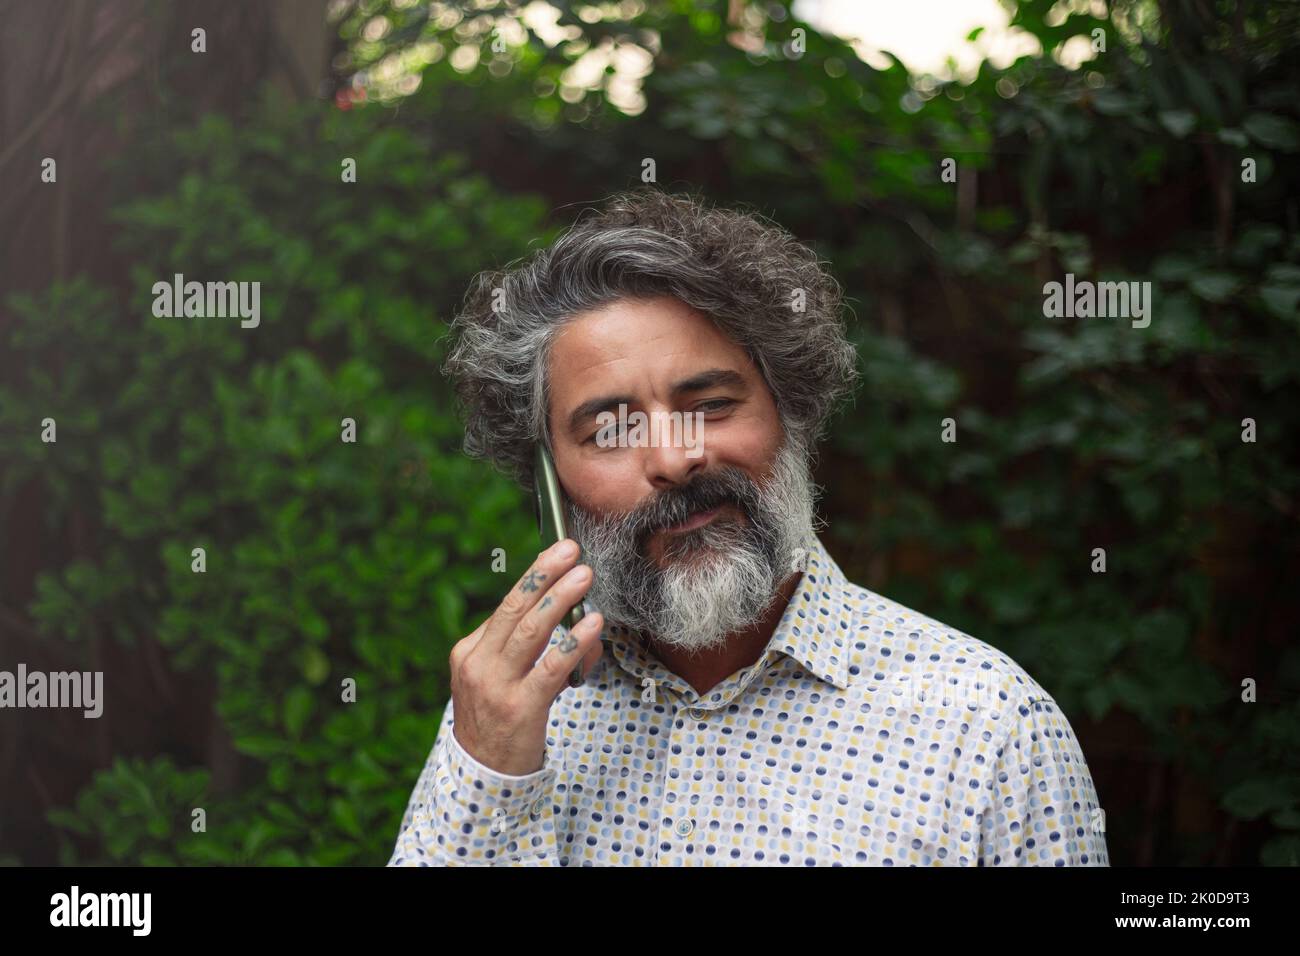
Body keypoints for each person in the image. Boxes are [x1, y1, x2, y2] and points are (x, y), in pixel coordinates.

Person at [387, 187, 1109, 866]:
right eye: (610, 429)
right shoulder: (508, 715)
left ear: (789, 411)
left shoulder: (988, 727)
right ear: (549, 482)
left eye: (710, 403)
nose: (675, 458)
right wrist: (488, 772)